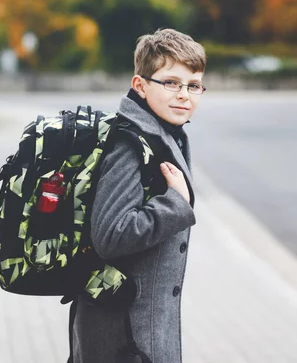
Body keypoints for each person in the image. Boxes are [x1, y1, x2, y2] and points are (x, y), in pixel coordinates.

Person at [72, 28, 207, 363]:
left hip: (141, 334)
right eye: (172, 83)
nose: (184, 95)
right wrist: (175, 203)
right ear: (140, 86)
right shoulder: (130, 146)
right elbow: (110, 235)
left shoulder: (168, 135)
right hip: (122, 339)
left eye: (193, 85)